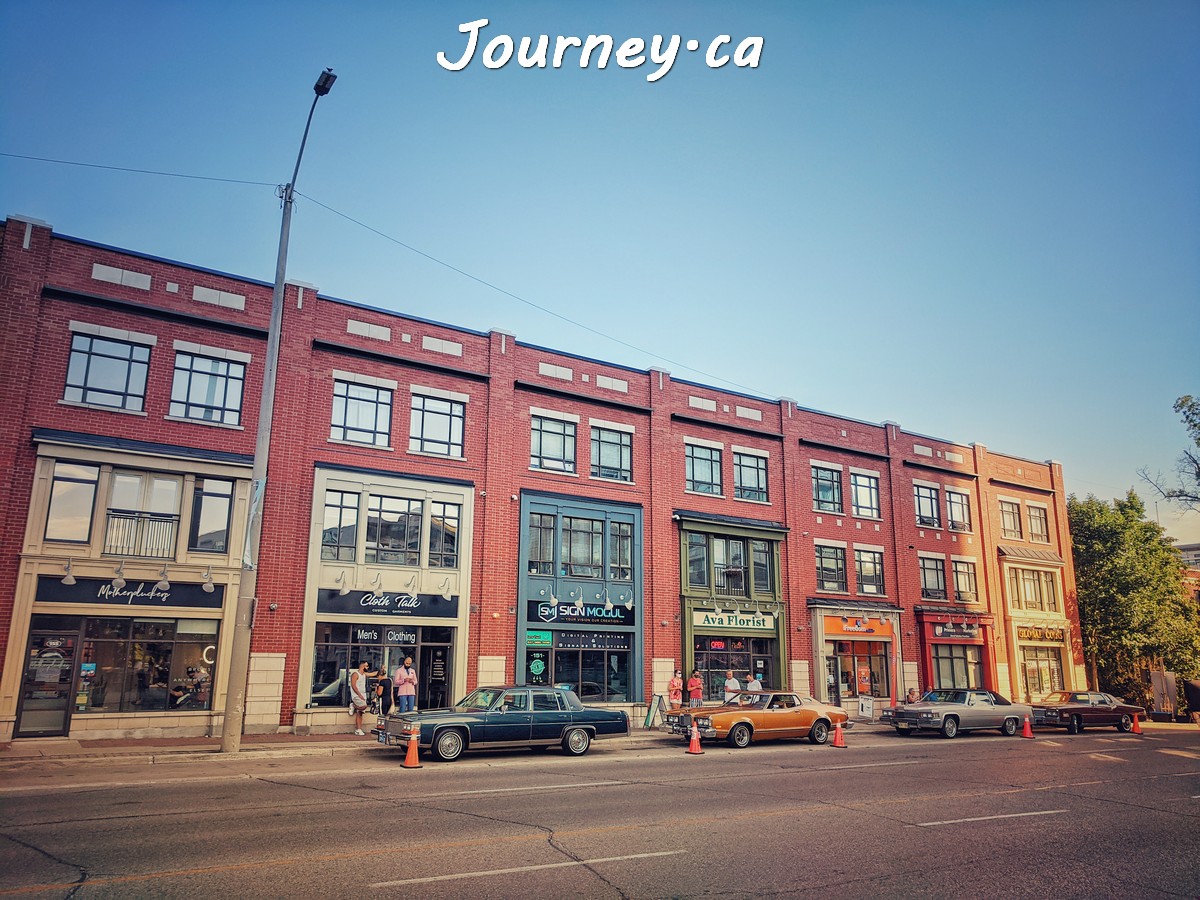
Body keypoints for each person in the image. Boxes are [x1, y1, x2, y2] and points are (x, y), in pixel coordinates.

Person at [349, 660, 377, 735]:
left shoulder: (364, 674)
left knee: (360, 713)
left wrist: (381, 670)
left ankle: (358, 729)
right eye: (366, 666)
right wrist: (359, 694)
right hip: (356, 695)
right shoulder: (355, 674)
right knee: (364, 706)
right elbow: (353, 685)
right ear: (362, 666)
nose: (368, 667)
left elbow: (372, 674)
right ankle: (353, 705)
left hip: (363, 695)